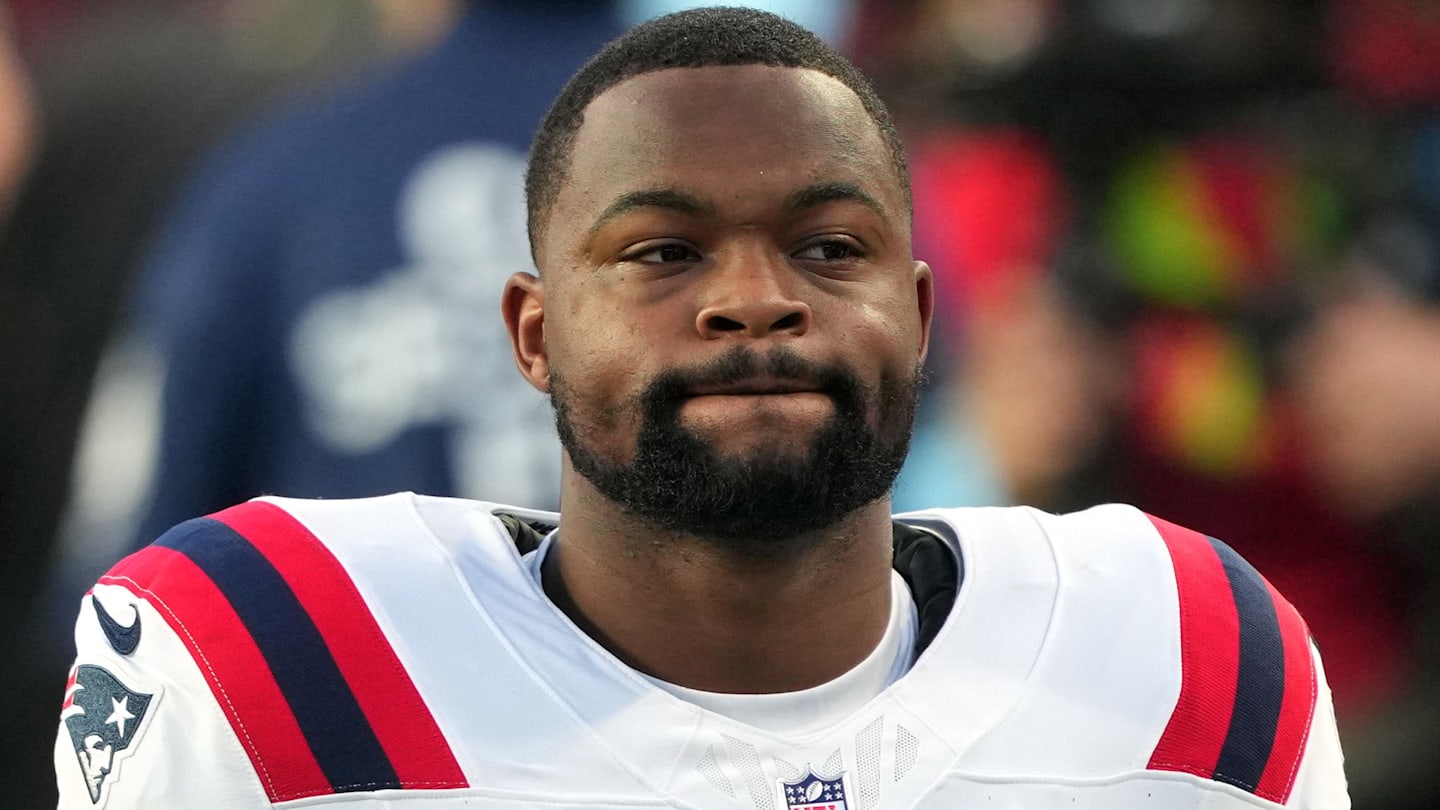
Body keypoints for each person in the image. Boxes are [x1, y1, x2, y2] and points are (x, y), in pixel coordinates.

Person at [53, 8, 1350, 809]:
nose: (753, 301)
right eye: (664, 252)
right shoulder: (275, 663)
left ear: (924, 315)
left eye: (830, 249)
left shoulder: (1187, 666)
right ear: (533, 331)